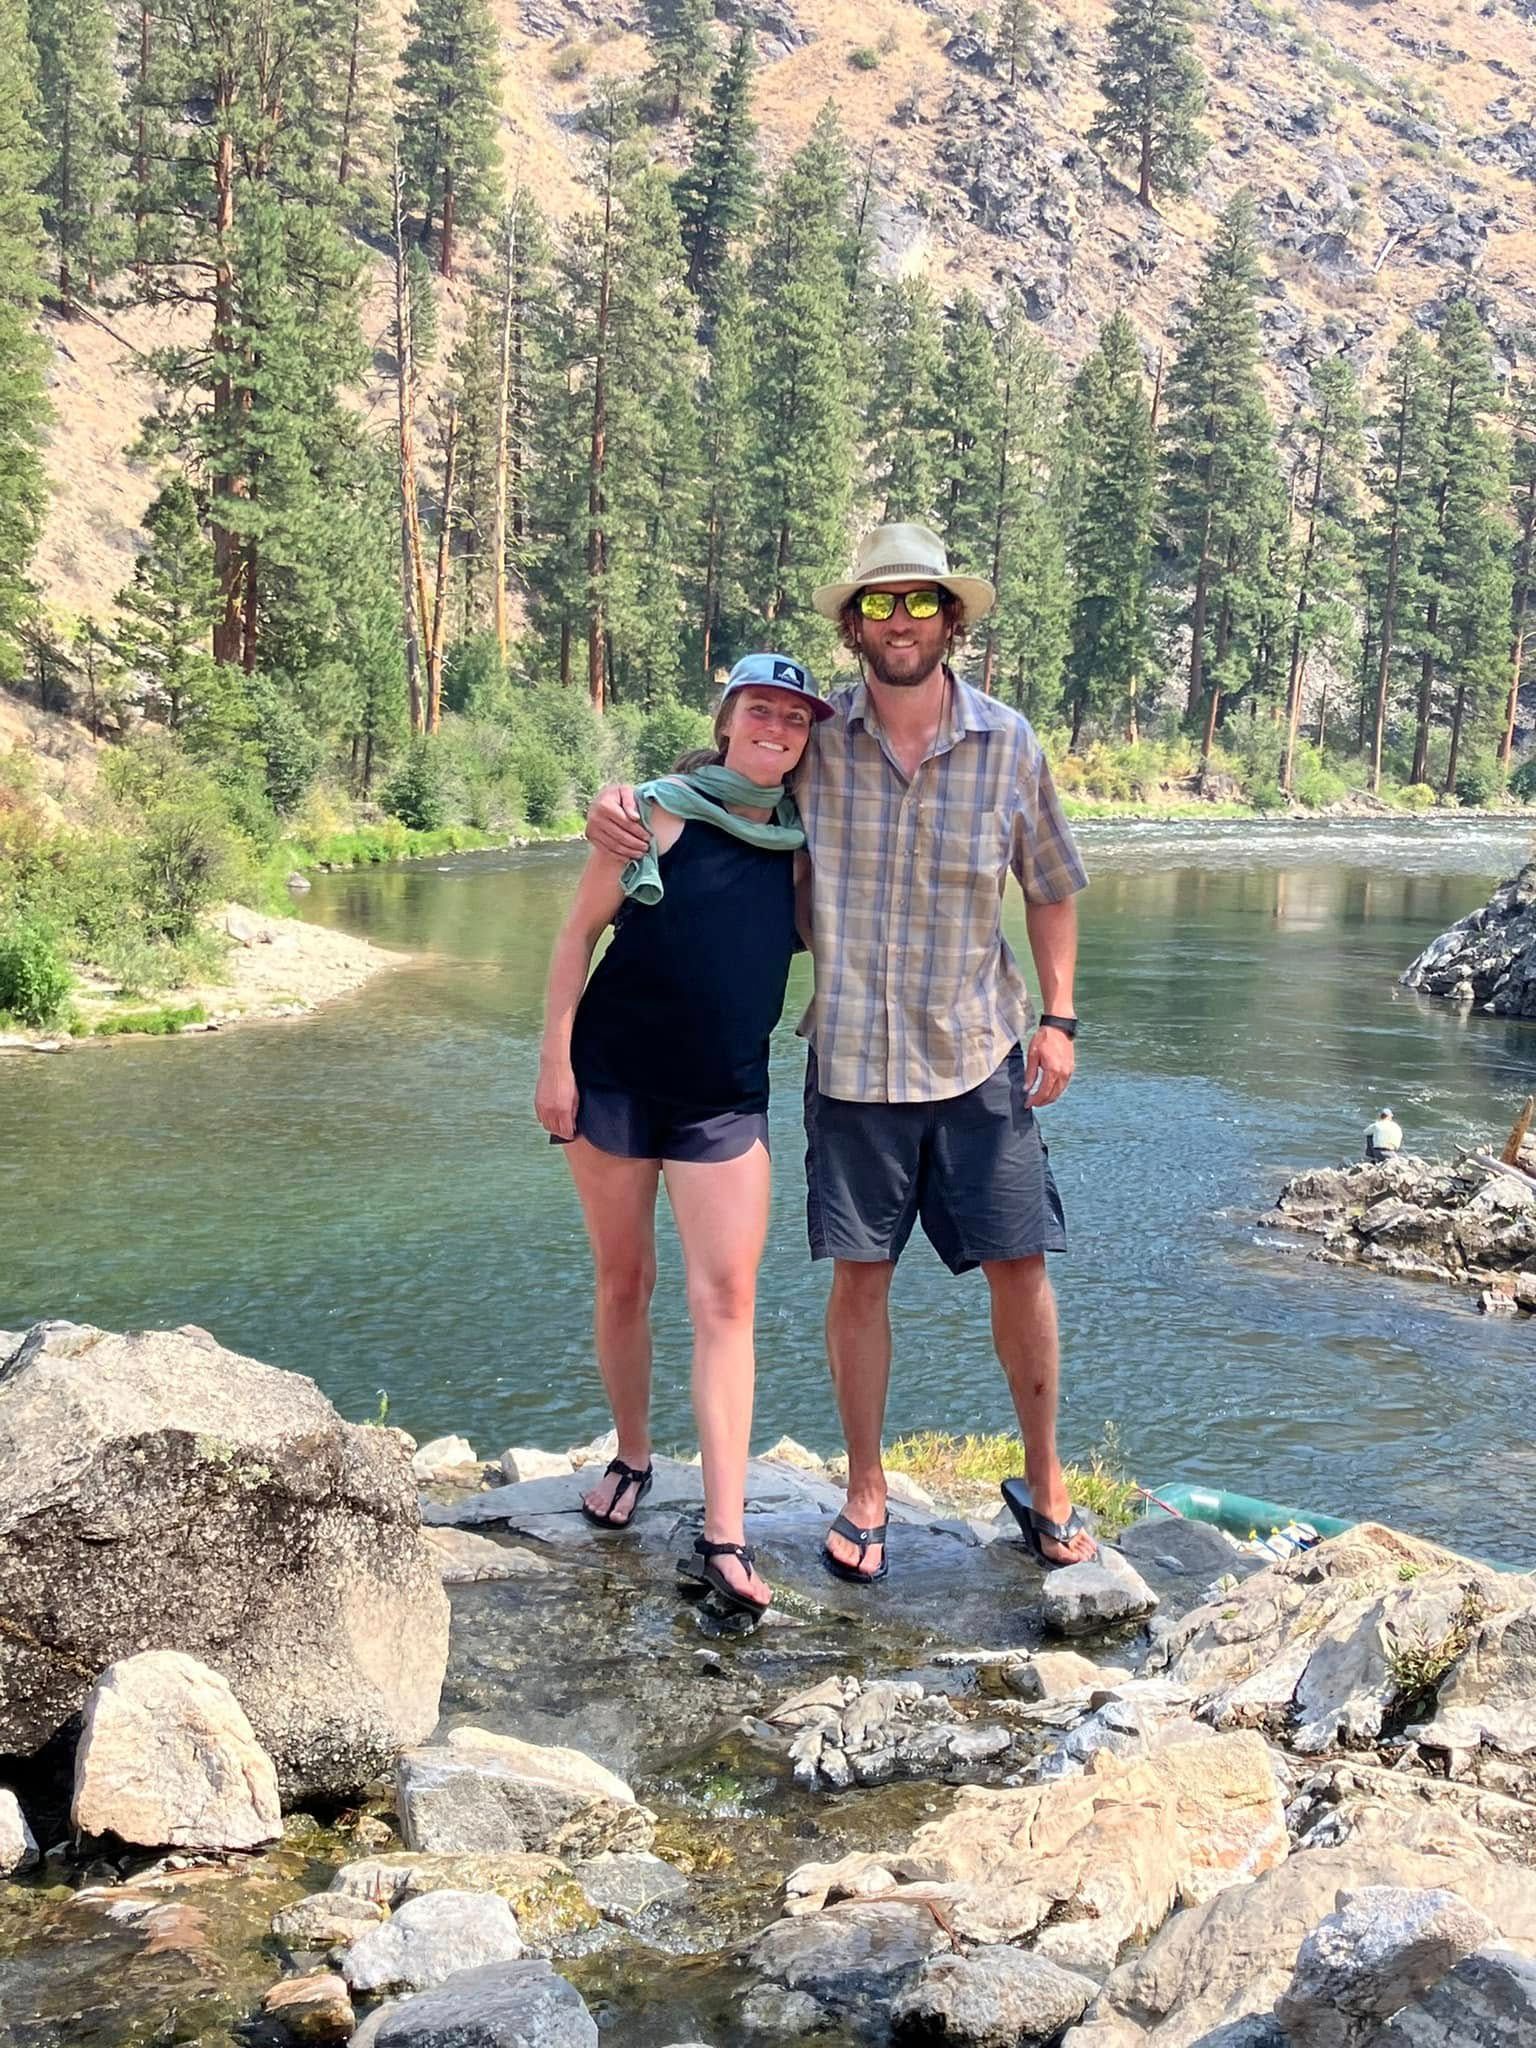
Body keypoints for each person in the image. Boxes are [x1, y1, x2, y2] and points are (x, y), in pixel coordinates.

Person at [588, 522, 1096, 1580]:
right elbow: (725, 775)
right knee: (860, 1278)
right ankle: (865, 1493)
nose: (900, 622)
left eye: (919, 603)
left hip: (981, 1049)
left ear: (952, 619)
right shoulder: (818, 740)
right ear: (853, 625)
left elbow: (1049, 881)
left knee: (1020, 1266)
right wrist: (621, 800)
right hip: (855, 1060)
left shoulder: (1012, 743)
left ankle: (1045, 1483)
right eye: (878, 605)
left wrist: (1059, 1015)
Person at [536, 654, 831, 1619]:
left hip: (724, 1099)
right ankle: (630, 1455)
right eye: (760, 710)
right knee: (625, 1280)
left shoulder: (802, 845)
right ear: (728, 718)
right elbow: (578, 935)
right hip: (612, 1082)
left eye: (793, 719)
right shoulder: (652, 813)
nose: (776, 729)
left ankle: (726, 1531)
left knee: (728, 1300)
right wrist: (555, 1065)